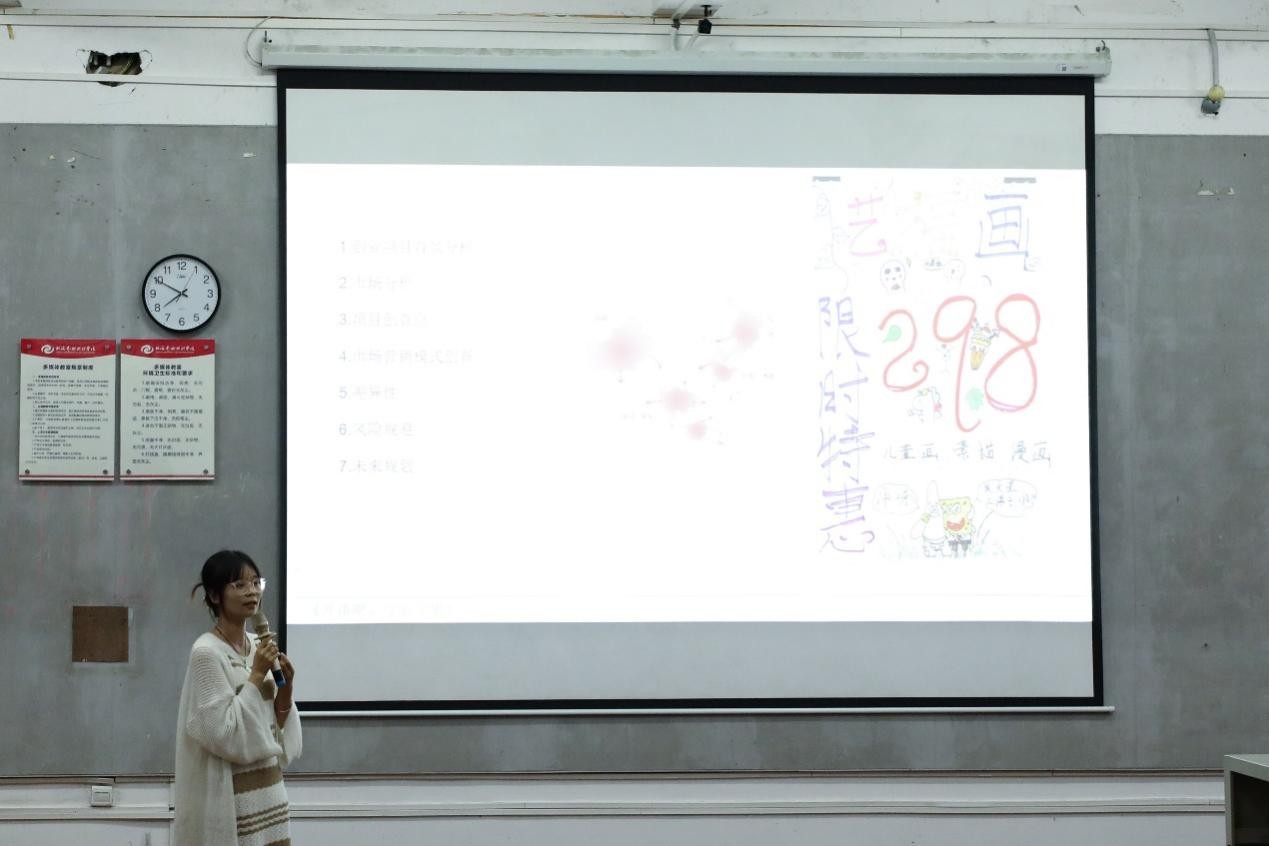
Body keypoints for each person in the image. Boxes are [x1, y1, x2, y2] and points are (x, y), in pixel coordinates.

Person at [174, 550, 301, 846]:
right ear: (215, 596)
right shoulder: (207, 653)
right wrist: (256, 675)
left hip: (270, 790)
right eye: (239, 585)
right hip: (232, 797)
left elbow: (274, 727)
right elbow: (222, 732)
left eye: (256, 583)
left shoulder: (259, 644)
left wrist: (286, 689)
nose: (252, 592)